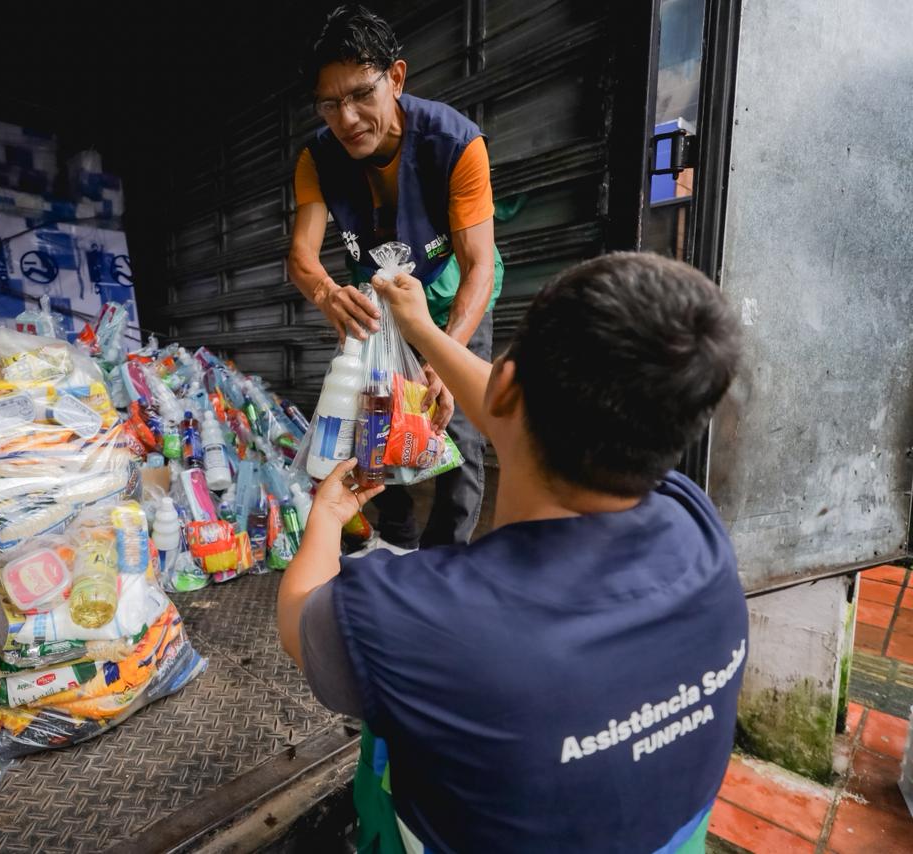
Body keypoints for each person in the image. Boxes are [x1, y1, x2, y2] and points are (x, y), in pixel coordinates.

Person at [278, 252, 749, 852]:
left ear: (504, 386)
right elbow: (507, 403)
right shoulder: (695, 524)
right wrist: (420, 328)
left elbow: (298, 617)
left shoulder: (419, 619)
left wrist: (325, 520)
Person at [289, 5, 504, 549]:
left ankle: (445, 559)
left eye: (363, 94)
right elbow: (301, 257)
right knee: (375, 414)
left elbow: (479, 263)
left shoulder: (456, 144)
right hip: (377, 294)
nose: (348, 118)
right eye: (330, 103)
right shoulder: (316, 158)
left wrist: (444, 354)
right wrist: (326, 293)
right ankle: (395, 539)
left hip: (452, 290)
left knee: (456, 422)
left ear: (397, 78)